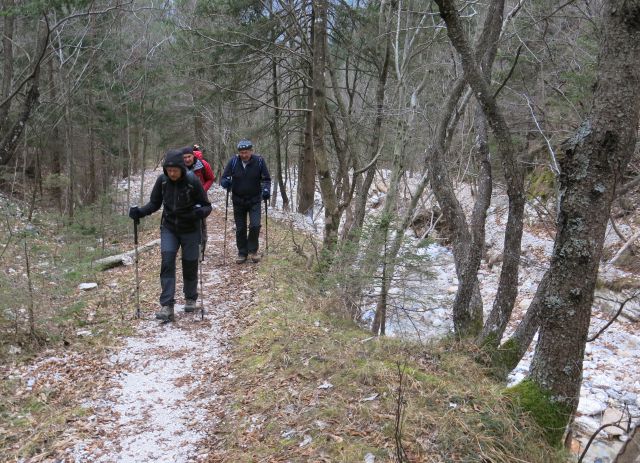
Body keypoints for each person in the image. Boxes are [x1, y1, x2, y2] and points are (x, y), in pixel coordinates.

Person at [129, 149, 212, 321]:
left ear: (182, 168)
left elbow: (206, 206)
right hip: (169, 228)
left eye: (175, 170)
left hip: (190, 229)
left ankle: (190, 297)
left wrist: (198, 213)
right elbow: (154, 203)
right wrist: (140, 212)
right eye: (169, 169)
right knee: (167, 262)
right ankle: (167, 306)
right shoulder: (163, 181)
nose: (172, 173)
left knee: (189, 264)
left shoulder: (192, 181)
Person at [220, 139, 271, 263]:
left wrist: (266, 189)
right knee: (240, 228)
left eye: (246, 152)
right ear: (239, 153)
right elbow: (224, 178)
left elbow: (266, 179)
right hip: (238, 200)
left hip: (254, 199)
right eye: (242, 152)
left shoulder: (259, 161)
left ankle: (253, 251)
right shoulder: (233, 162)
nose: (244, 155)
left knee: (255, 225)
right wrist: (225, 183)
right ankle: (242, 253)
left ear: (251, 151)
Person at [182, 145, 215, 256]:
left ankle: (201, 250)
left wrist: (202, 190)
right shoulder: (179, 166)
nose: (187, 159)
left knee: (201, 223)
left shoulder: (203, 165)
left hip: (200, 198)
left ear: (193, 156)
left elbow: (211, 178)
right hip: (184, 199)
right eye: (184, 157)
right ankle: (188, 249)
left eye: (189, 157)